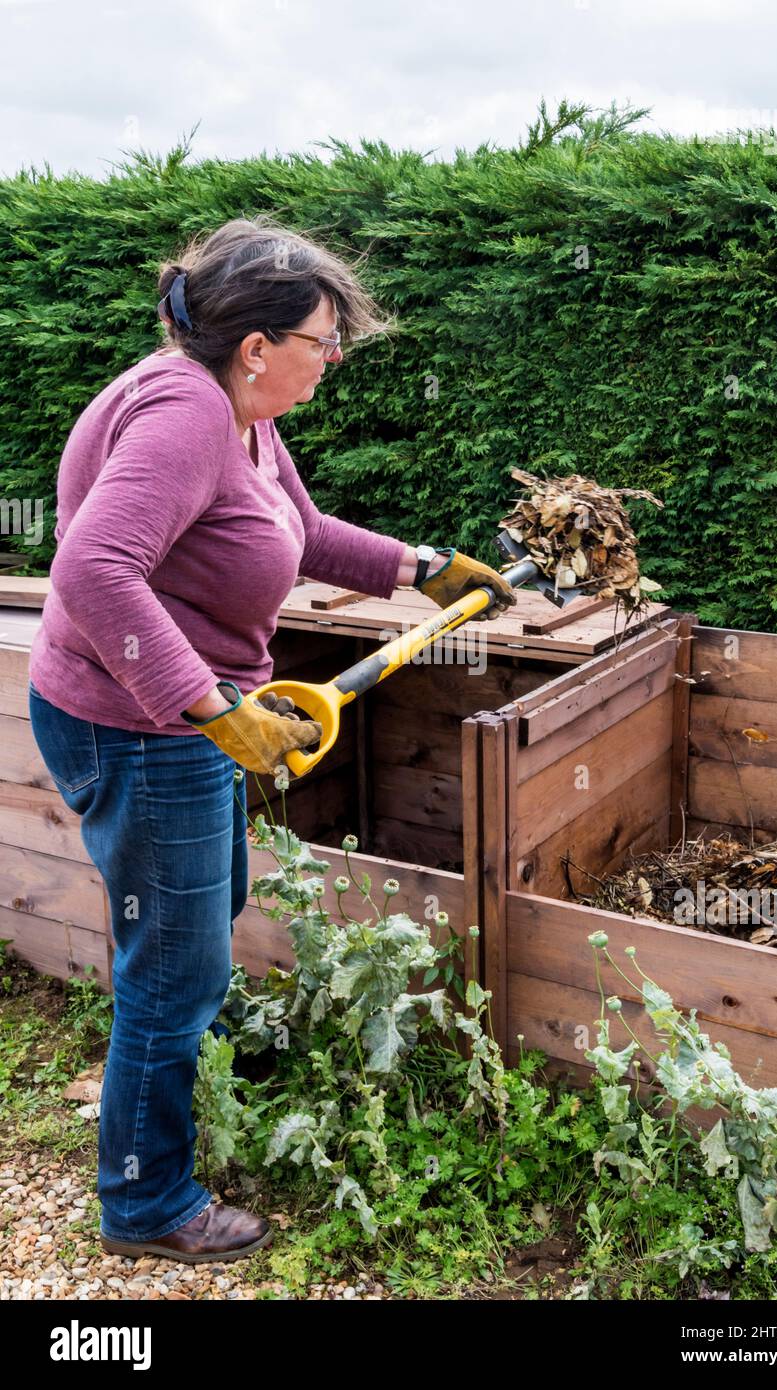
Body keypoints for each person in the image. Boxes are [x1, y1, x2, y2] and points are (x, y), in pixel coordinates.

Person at [27, 214, 517, 1264]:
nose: (330, 363)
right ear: (258, 347)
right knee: (176, 963)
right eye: (323, 344)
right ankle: (145, 1199)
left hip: (165, 718)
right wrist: (212, 707)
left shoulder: (237, 413)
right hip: (141, 724)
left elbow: (296, 530)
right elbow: (90, 570)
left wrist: (419, 564)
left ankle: (166, 1068)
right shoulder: (184, 417)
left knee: (196, 921)